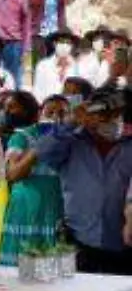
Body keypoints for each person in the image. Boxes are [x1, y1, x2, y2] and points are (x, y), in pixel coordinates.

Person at [36, 89, 132, 275]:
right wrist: (69, 122)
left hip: (125, 244)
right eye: (102, 114)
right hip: (79, 242)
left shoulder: (129, 143)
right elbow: (43, 152)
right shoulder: (71, 141)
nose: (110, 119)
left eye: (115, 114)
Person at [0, 91, 61, 265]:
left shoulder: (70, 140)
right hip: (26, 208)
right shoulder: (22, 137)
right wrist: (39, 148)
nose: (55, 118)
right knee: (19, 265)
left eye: (62, 114)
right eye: (50, 112)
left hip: (54, 209)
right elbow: (13, 174)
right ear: (40, 113)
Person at [33, 31, 84, 102]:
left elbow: (78, 94)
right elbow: (38, 90)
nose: (64, 45)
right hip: (47, 106)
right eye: (61, 42)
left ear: (72, 46)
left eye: (68, 43)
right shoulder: (43, 65)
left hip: (69, 108)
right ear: (54, 44)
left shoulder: (78, 66)